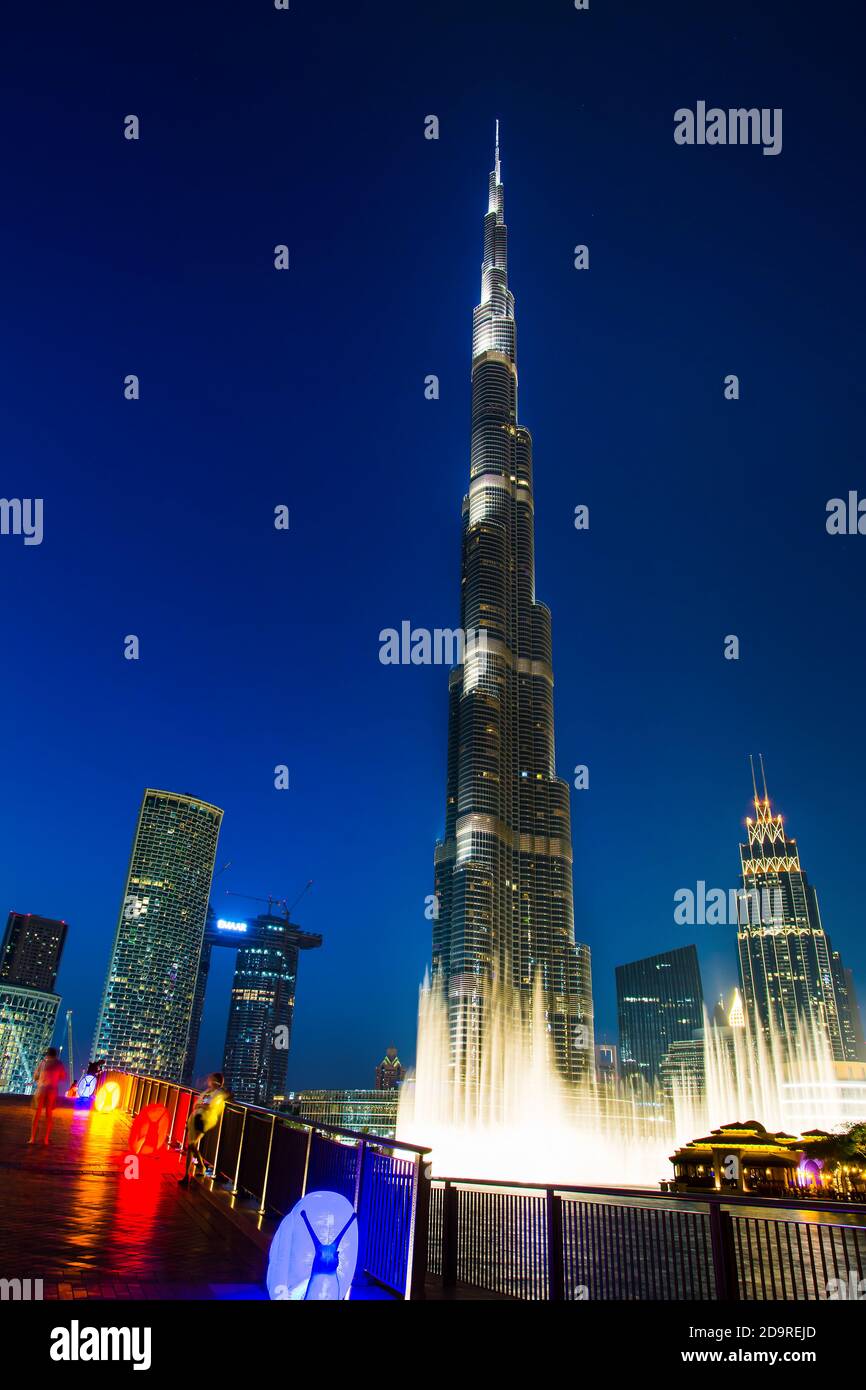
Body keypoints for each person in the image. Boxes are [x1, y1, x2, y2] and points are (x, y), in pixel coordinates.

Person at [178, 1073, 231, 1187]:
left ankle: (195, 1170)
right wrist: (200, 1106)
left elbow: (210, 1106)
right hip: (195, 1118)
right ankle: (189, 1174)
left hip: (202, 1120)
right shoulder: (207, 1092)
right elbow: (199, 1104)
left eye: (211, 1079)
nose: (208, 1080)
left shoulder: (218, 1093)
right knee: (191, 1145)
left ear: (215, 1081)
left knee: (191, 1145)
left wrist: (201, 1106)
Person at [29, 1048, 67, 1146]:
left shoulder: (43, 1062)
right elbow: (63, 1077)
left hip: (41, 1089)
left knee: (37, 1113)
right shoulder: (59, 1063)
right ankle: (46, 1139)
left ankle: (32, 1138)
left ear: (47, 1054)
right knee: (48, 1114)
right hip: (52, 1090)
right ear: (56, 1055)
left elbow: (35, 1076)